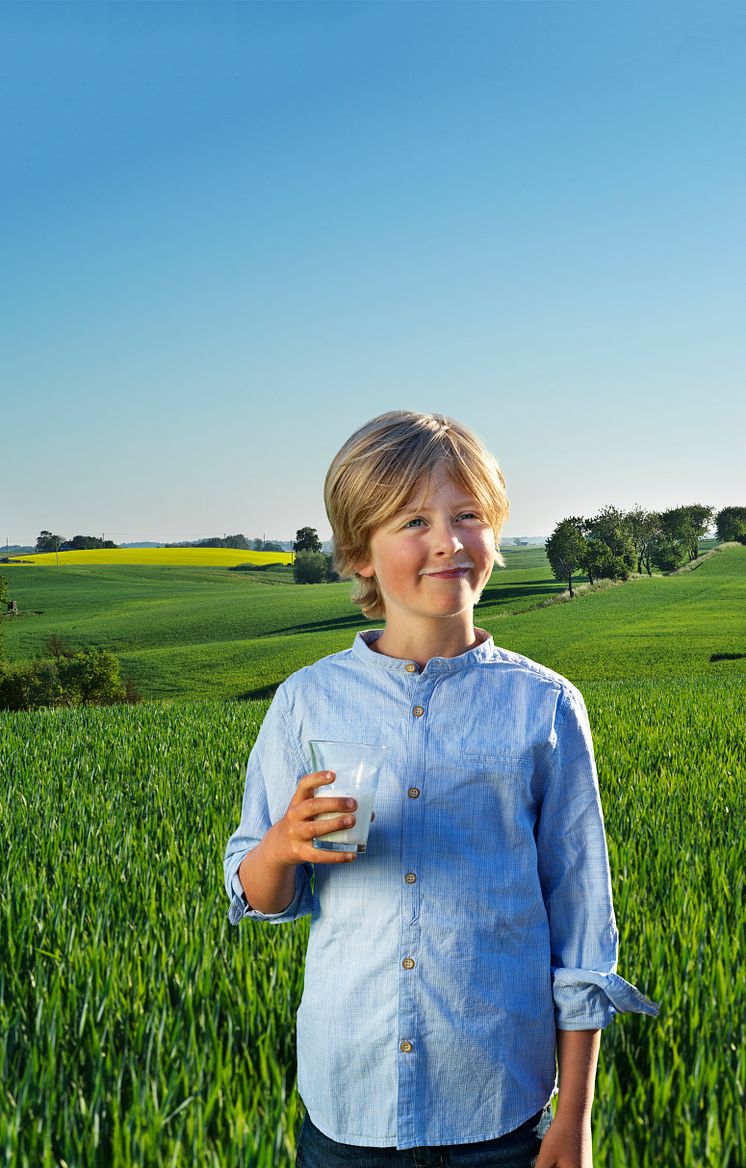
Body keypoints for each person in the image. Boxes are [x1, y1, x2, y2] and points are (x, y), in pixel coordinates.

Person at [224, 411, 658, 1168]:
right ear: (358, 552)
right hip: (347, 1106)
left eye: (468, 517)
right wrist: (281, 846)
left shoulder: (544, 705)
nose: (448, 541)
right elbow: (259, 895)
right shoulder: (306, 701)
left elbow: (582, 919)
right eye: (413, 520)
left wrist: (576, 1118)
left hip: (499, 1104)